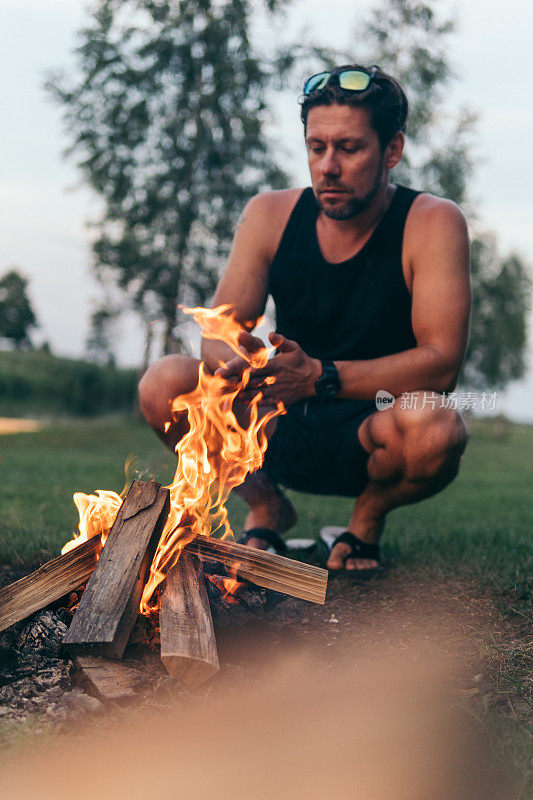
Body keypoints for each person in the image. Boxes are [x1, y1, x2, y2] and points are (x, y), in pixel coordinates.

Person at [139, 64, 471, 573]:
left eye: (349, 148)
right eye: (317, 148)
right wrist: (254, 367)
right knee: (165, 382)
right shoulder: (270, 214)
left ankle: (366, 521)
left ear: (392, 150)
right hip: (277, 418)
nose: (327, 167)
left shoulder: (431, 222)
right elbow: (217, 333)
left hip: (370, 429)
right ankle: (267, 505)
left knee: (437, 427)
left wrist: (320, 377)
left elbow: (442, 363)